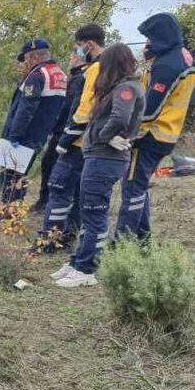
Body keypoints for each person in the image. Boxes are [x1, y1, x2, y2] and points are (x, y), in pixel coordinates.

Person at [54, 44, 145, 288]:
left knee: (95, 213)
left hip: (106, 157)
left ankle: (86, 268)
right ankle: (77, 261)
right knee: (88, 212)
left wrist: (104, 136)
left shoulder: (126, 87)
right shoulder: (118, 87)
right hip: (99, 156)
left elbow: (120, 118)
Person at [115, 13, 195, 240]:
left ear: (160, 36)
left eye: (150, 38)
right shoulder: (183, 57)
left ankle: (123, 241)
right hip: (167, 134)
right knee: (138, 186)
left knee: (132, 188)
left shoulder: (166, 65)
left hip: (149, 136)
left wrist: (124, 132)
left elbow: (149, 110)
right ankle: (142, 238)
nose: (147, 43)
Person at [37, 24, 106, 252]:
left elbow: (82, 109)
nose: (76, 52)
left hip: (77, 141)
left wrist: (65, 140)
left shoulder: (94, 70)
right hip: (92, 142)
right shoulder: (110, 68)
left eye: (78, 46)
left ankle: (50, 241)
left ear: (88, 44)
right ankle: (68, 235)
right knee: (78, 192)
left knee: (58, 188)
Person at [0, 39, 68, 204]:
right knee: (20, 175)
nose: (24, 63)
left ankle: (9, 217)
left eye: (25, 59)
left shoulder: (37, 75)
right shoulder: (60, 74)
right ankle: (14, 212)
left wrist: (14, 135)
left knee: (9, 177)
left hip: (22, 138)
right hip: (39, 136)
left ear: (33, 57)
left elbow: (26, 108)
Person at [32, 49, 88, 214]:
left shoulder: (79, 79)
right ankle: (48, 202)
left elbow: (68, 107)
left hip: (67, 132)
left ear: (79, 58)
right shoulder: (74, 77)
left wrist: (61, 128)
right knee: (50, 164)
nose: (71, 58)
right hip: (63, 130)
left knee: (51, 166)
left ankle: (48, 203)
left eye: (73, 55)